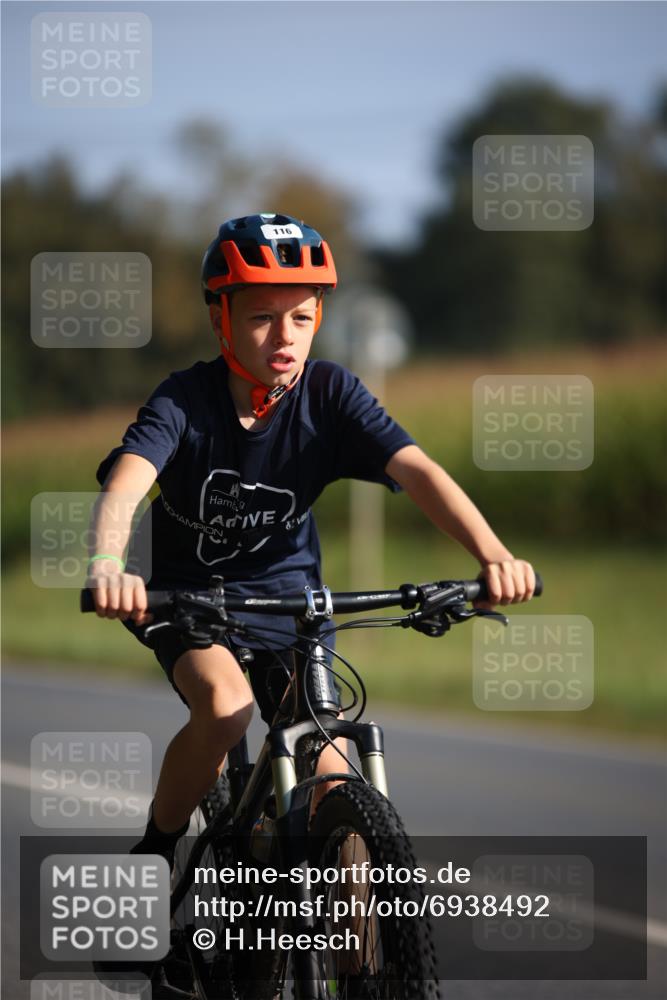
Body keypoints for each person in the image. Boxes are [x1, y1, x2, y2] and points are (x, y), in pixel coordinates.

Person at [88, 212, 536, 867]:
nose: (284, 337)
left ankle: (372, 964)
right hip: (182, 590)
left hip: (289, 599)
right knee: (226, 707)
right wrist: (106, 564)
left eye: (301, 317)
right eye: (262, 317)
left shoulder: (330, 394)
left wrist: (493, 556)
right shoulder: (186, 399)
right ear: (221, 319)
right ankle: (153, 857)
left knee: (333, 779)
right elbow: (128, 482)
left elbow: (417, 470)